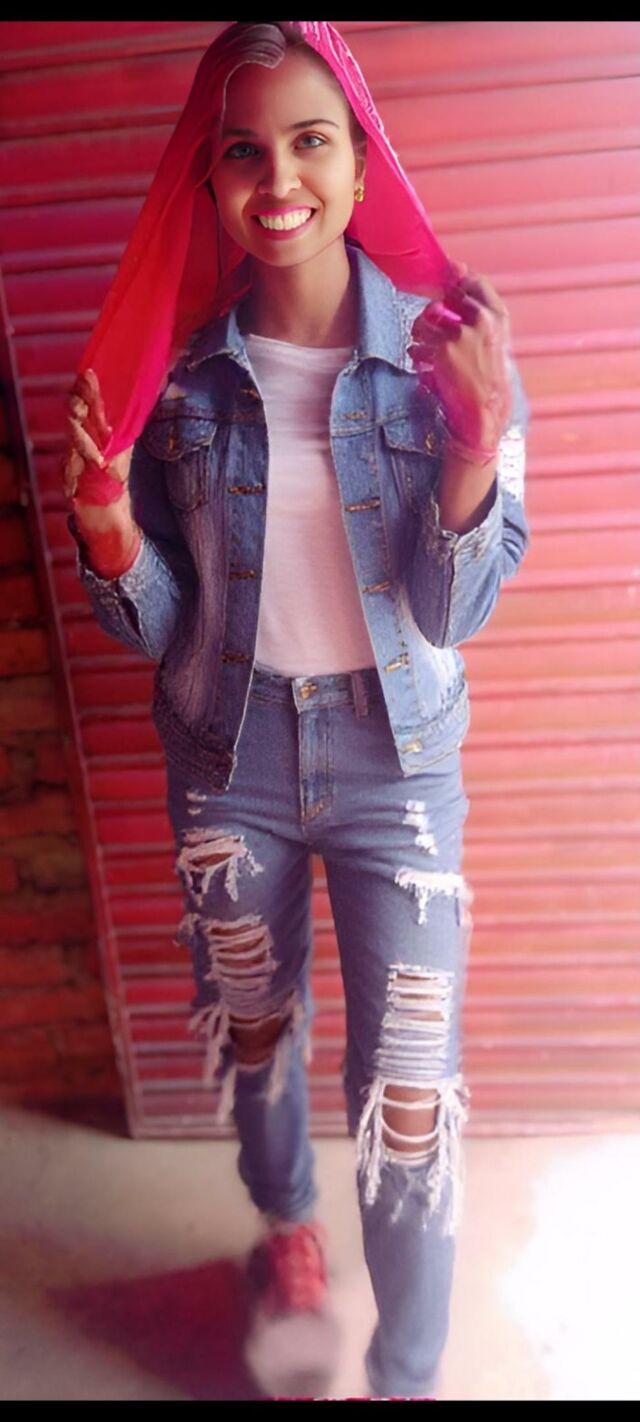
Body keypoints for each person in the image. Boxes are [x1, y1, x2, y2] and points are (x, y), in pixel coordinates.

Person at [63, 20, 530, 1401]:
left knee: (410, 1096)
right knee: (256, 1032)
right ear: (208, 179)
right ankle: (288, 1233)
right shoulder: (179, 382)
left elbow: (454, 610)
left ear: (360, 159)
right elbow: (162, 626)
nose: (279, 180)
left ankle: (406, 1375)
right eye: (243, 151)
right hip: (233, 760)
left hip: (399, 769)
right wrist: (106, 527)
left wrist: (473, 448)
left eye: (311, 142)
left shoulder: (453, 355)